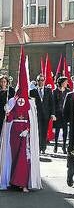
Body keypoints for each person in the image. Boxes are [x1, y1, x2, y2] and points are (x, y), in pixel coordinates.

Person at [0, 49, 41, 191]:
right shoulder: (12, 100)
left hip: (25, 132)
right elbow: (9, 119)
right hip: (14, 132)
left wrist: (28, 130)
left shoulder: (31, 102)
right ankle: (12, 180)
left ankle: (22, 183)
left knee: (24, 157)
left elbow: (32, 121)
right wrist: (8, 111)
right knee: (13, 156)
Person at [29, 73, 54, 155]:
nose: (41, 82)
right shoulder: (33, 91)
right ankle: (38, 147)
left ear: (44, 81)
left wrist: (52, 114)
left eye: (43, 80)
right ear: (37, 81)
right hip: (37, 115)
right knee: (38, 131)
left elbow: (51, 103)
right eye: (39, 80)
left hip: (46, 115)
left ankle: (43, 147)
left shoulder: (48, 90)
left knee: (44, 131)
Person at [53, 76, 69, 154]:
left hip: (65, 114)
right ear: (62, 83)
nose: (67, 83)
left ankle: (64, 146)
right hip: (58, 113)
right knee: (57, 130)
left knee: (65, 130)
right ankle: (55, 145)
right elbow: (53, 103)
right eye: (65, 82)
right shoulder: (55, 91)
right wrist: (53, 114)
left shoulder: (68, 91)